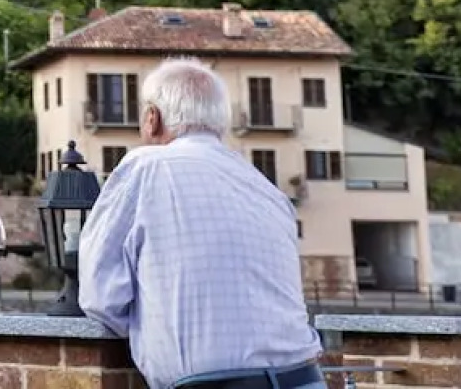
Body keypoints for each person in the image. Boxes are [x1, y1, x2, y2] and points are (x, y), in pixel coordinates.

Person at [78, 56, 325, 389]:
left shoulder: (146, 166)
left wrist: (153, 326)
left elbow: (100, 297)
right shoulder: (266, 187)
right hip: (303, 378)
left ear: (152, 118)